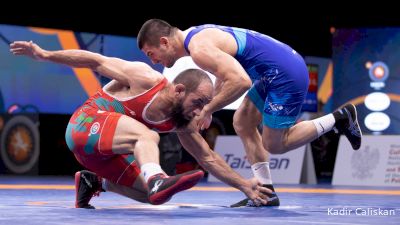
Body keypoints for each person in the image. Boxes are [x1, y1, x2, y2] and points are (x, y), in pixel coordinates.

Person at [9, 41, 271, 209]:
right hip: (83, 126)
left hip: (100, 157)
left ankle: (95, 182)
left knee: (152, 197)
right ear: (179, 90)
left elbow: (207, 157)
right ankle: (156, 178)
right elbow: (94, 60)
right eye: (198, 102)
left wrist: (244, 185)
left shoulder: (182, 119)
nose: (201, 111)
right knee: (147, 137)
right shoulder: (145, 78)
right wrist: (45, 54)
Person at [137, 19, 362, 207]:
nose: (153, 61)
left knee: (275, 144)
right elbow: (225, 75)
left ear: (164, 42)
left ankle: (339, 118)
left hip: (285, 74)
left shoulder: (199, 49)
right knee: (243, 121)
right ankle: (266, 193)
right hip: (275, 69)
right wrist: (209, 106)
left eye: (151, 53)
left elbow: (241, 81)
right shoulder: (195, 36)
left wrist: (207, 109)